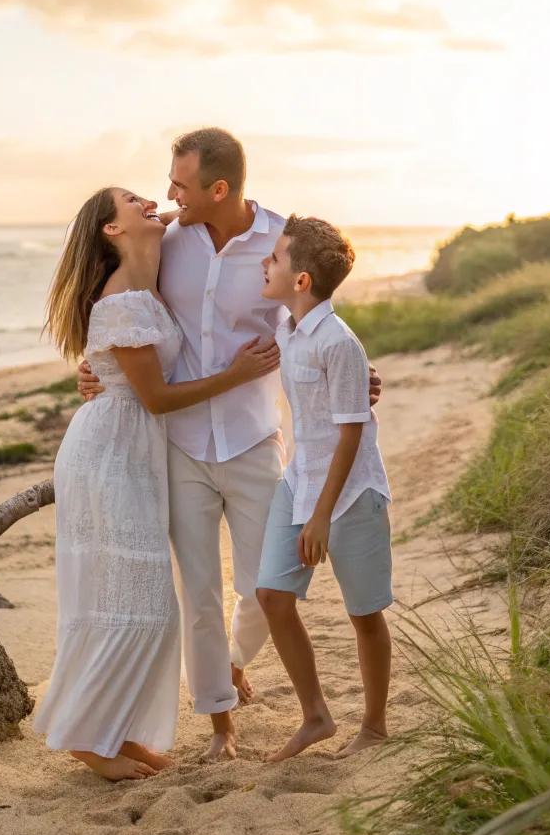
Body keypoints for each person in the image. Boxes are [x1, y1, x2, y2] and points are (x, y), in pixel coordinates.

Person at [78, 129, 382, 761]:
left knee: (266, 586)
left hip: (251, 436)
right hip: (180, 441)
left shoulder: (279, 240)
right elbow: (117, 298)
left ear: (219, 189)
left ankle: (234, 661)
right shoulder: (167, 240)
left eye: (181, 184)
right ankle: (221, 726)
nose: (169, 195)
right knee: (199, 595)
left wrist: (355, 373)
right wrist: (94, 370)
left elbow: (308, 313)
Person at [32, 186, 279, 782]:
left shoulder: (149, 266)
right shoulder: (122, 301)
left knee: (134, 602)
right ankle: (89, 739)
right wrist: (236, 373)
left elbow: (198, 211)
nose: (152, 200)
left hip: (135, 451)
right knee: (135, 604)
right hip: (110, 456)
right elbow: (157, 397)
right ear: (111, 230)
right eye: (131, 200)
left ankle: (111, 731)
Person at [255, 215, 393, 762]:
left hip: (351, 491)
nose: (265, 264)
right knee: (271, 595)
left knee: (364, 613)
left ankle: (375, 727)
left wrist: (320, 516)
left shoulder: (339, 342)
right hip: (299, 480)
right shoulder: (286, 329)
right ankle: (316, 716)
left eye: (275, 258)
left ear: (302, 279)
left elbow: (351, 434)